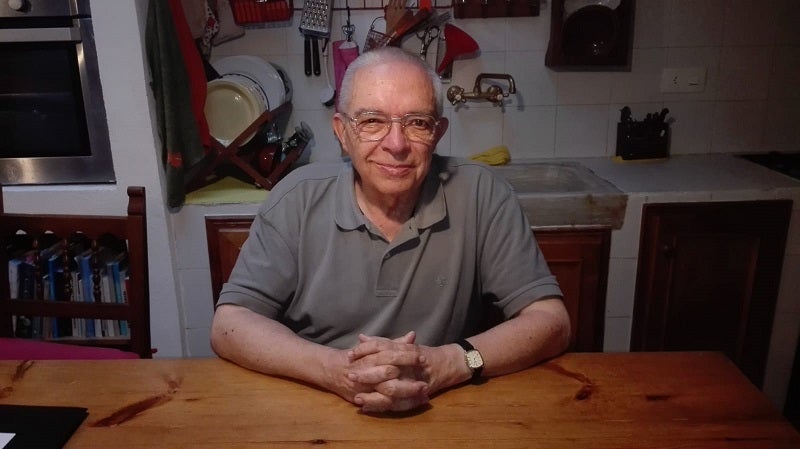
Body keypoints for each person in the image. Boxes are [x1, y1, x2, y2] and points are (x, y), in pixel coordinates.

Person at [210, 47, 570, 413]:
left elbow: (550, 322)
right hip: (315, 405)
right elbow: (230, 325)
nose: (396, 145)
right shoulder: (295, 199)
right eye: (371, 121)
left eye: (417, 123)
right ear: (342, 132)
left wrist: (449, 364)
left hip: (447, 406)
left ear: (438, 132)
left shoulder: (482, 194)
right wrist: (333, 370)